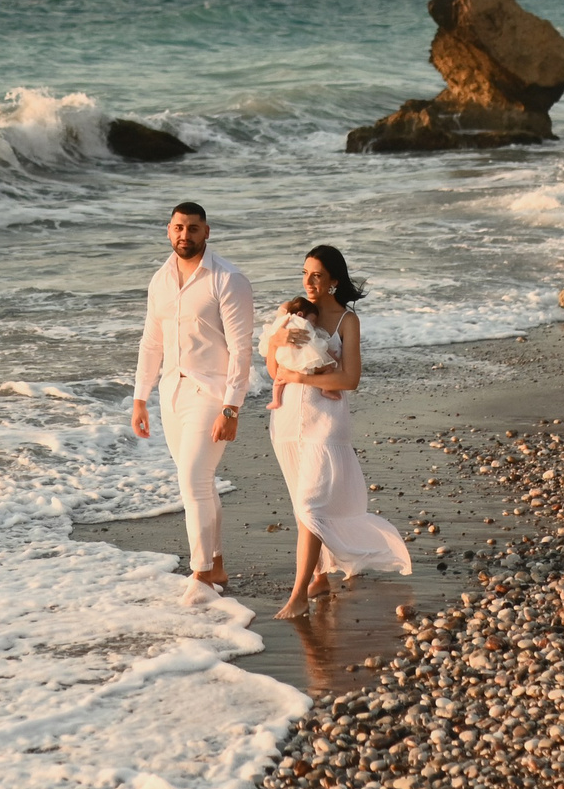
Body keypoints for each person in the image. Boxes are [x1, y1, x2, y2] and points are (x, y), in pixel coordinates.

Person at [265, 243, 409, 618]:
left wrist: (299, 375)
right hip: (286, 421)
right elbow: (271, 367)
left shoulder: (348, 321)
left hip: (326, 422)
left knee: (312, 504)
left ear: (333, 281)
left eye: (317, 275)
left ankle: (298, 595)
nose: (308, 281)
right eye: (304, 273)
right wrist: (277, 341)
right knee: (303, 507)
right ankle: (320, 577)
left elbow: (351, 378)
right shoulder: (290, 311)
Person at [132, 201, 256, 592]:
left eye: (193, 228)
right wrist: (140, 398)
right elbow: (152, 343)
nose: (185, 235)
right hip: (172, 393)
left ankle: (200, 573)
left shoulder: (228, 279)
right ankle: (215, 564)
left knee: (193, 480)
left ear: (207, 232)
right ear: (169, 231)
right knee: (199, 481)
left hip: (212, 392)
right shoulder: (160, 280)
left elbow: (241, 349)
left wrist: (231, 407)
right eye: (178, 228)